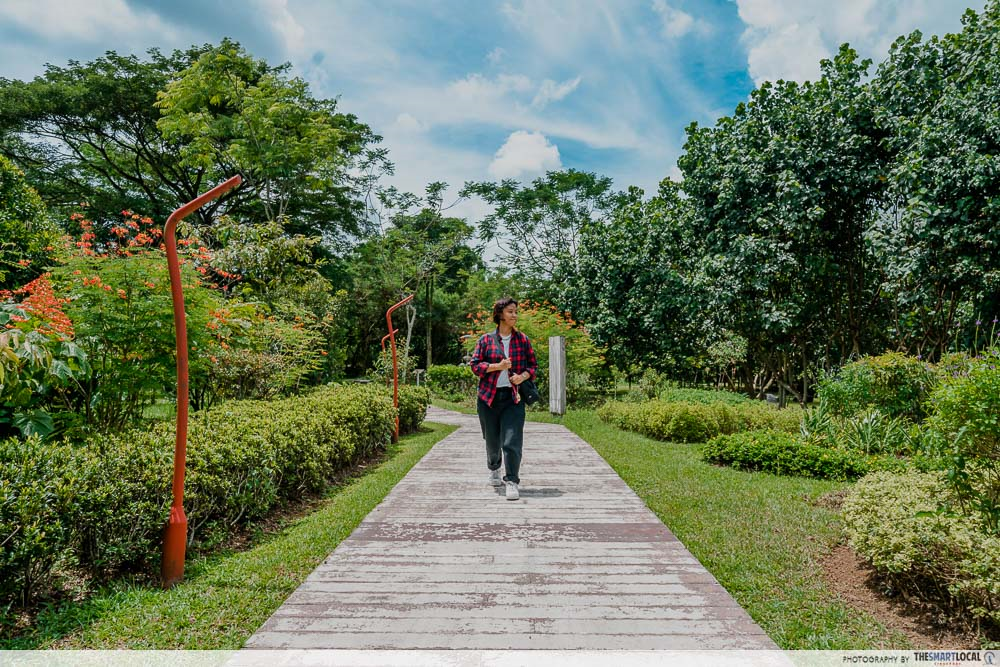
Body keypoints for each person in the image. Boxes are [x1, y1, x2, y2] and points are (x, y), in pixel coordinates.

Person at [469, 297, 538, 501]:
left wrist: (522, 376)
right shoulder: (486, 340)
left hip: (513, 398)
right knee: (492, 441)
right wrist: (497, 367)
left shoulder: (523, 340)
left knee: (511, 441)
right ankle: (494, 467)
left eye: (516, 311)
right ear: (500, 314)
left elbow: (533, 366)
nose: (514, 315)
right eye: (510, 311)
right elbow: (475, 365)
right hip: (488, 399)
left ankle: (512, 481)